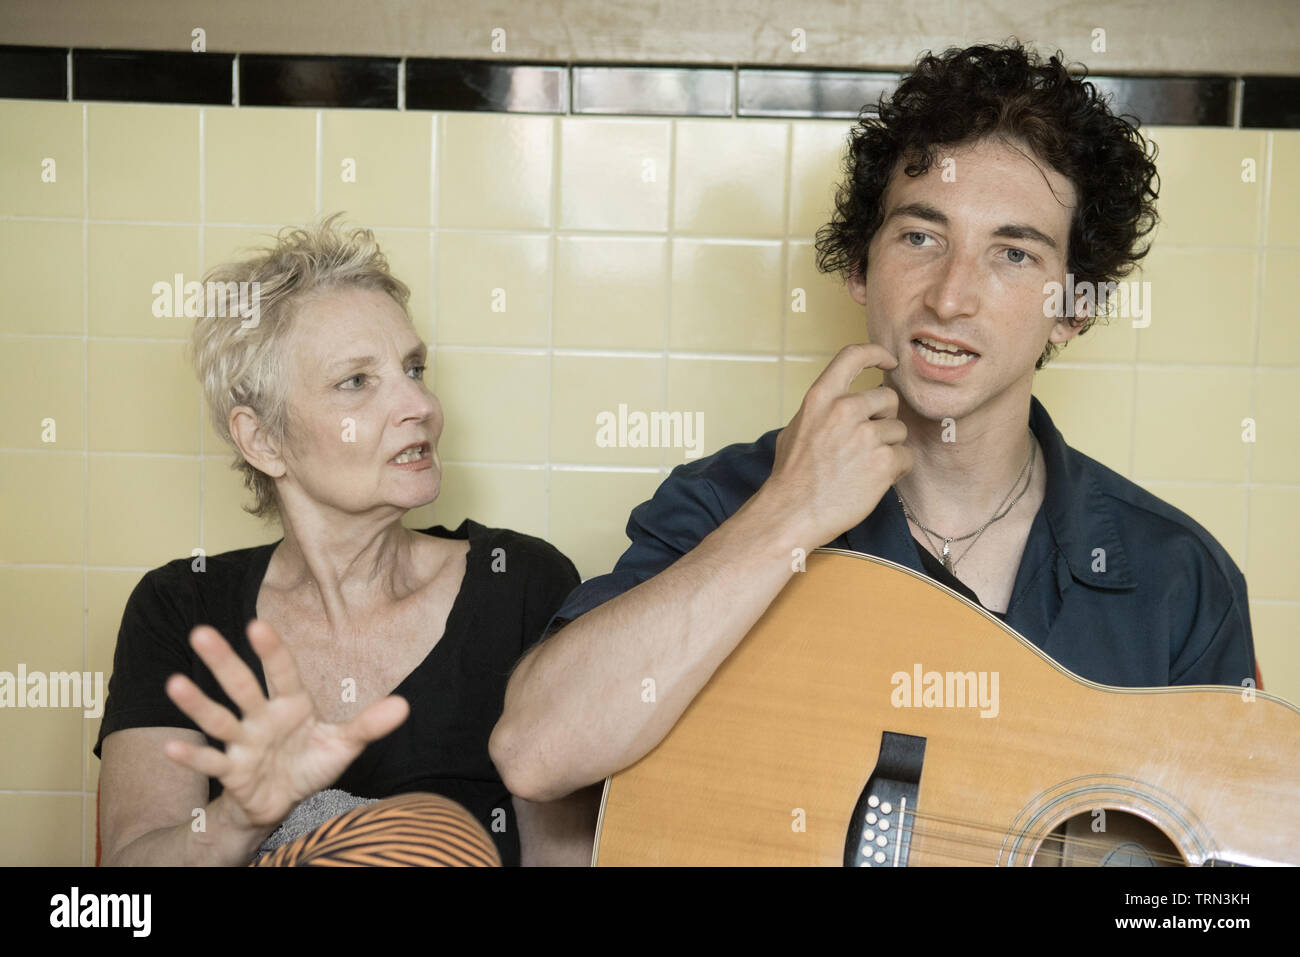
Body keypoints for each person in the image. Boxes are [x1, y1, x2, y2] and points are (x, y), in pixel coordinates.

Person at [490, 41, 1258, 806]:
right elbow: (535, 751)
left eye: (1014, 254)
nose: (951, 295)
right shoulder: (728, 499)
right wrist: (787, 515)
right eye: (921, 237)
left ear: (1073, 310)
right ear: (860, 266)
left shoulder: (1179, 581)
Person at [95, 216, 600, 866]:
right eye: (357, 381)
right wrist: (241, 817)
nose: (419, 403)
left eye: (414, 367)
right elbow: (118, 895)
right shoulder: (178, 606)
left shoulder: (523, 585)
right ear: (263, 439)